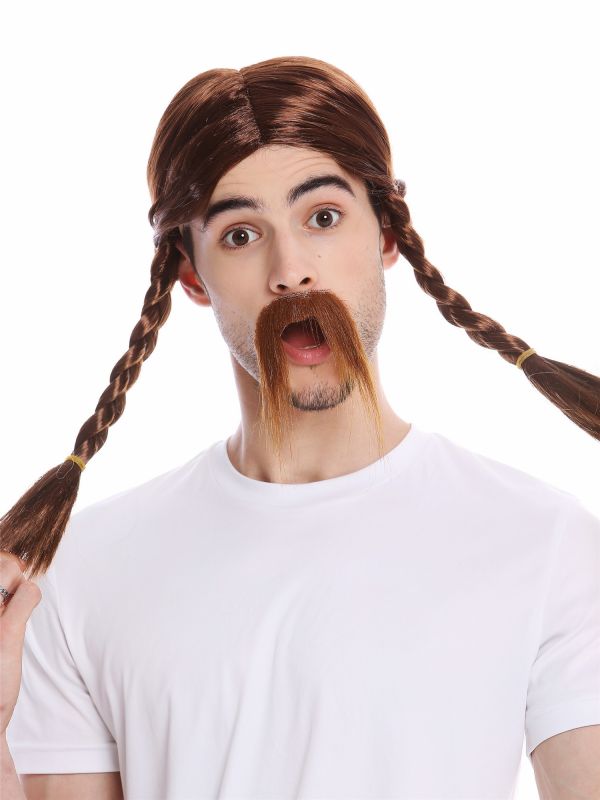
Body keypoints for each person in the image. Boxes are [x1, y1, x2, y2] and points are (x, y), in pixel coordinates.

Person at [1, 56, 599, 800]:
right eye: (240, 235)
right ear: (192, 275)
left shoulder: (544, 541)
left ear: (386, 233)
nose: (291, 271)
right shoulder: (82, 571)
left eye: (322, 217)